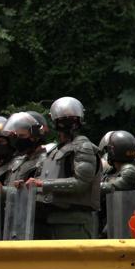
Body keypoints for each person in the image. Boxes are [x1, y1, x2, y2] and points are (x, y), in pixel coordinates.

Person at [25, 97, 101, 240]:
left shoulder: (83, 146)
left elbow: (81, 183)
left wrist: (42, 184)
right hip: (51, 219)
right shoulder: (56, 150)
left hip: (75, 222)